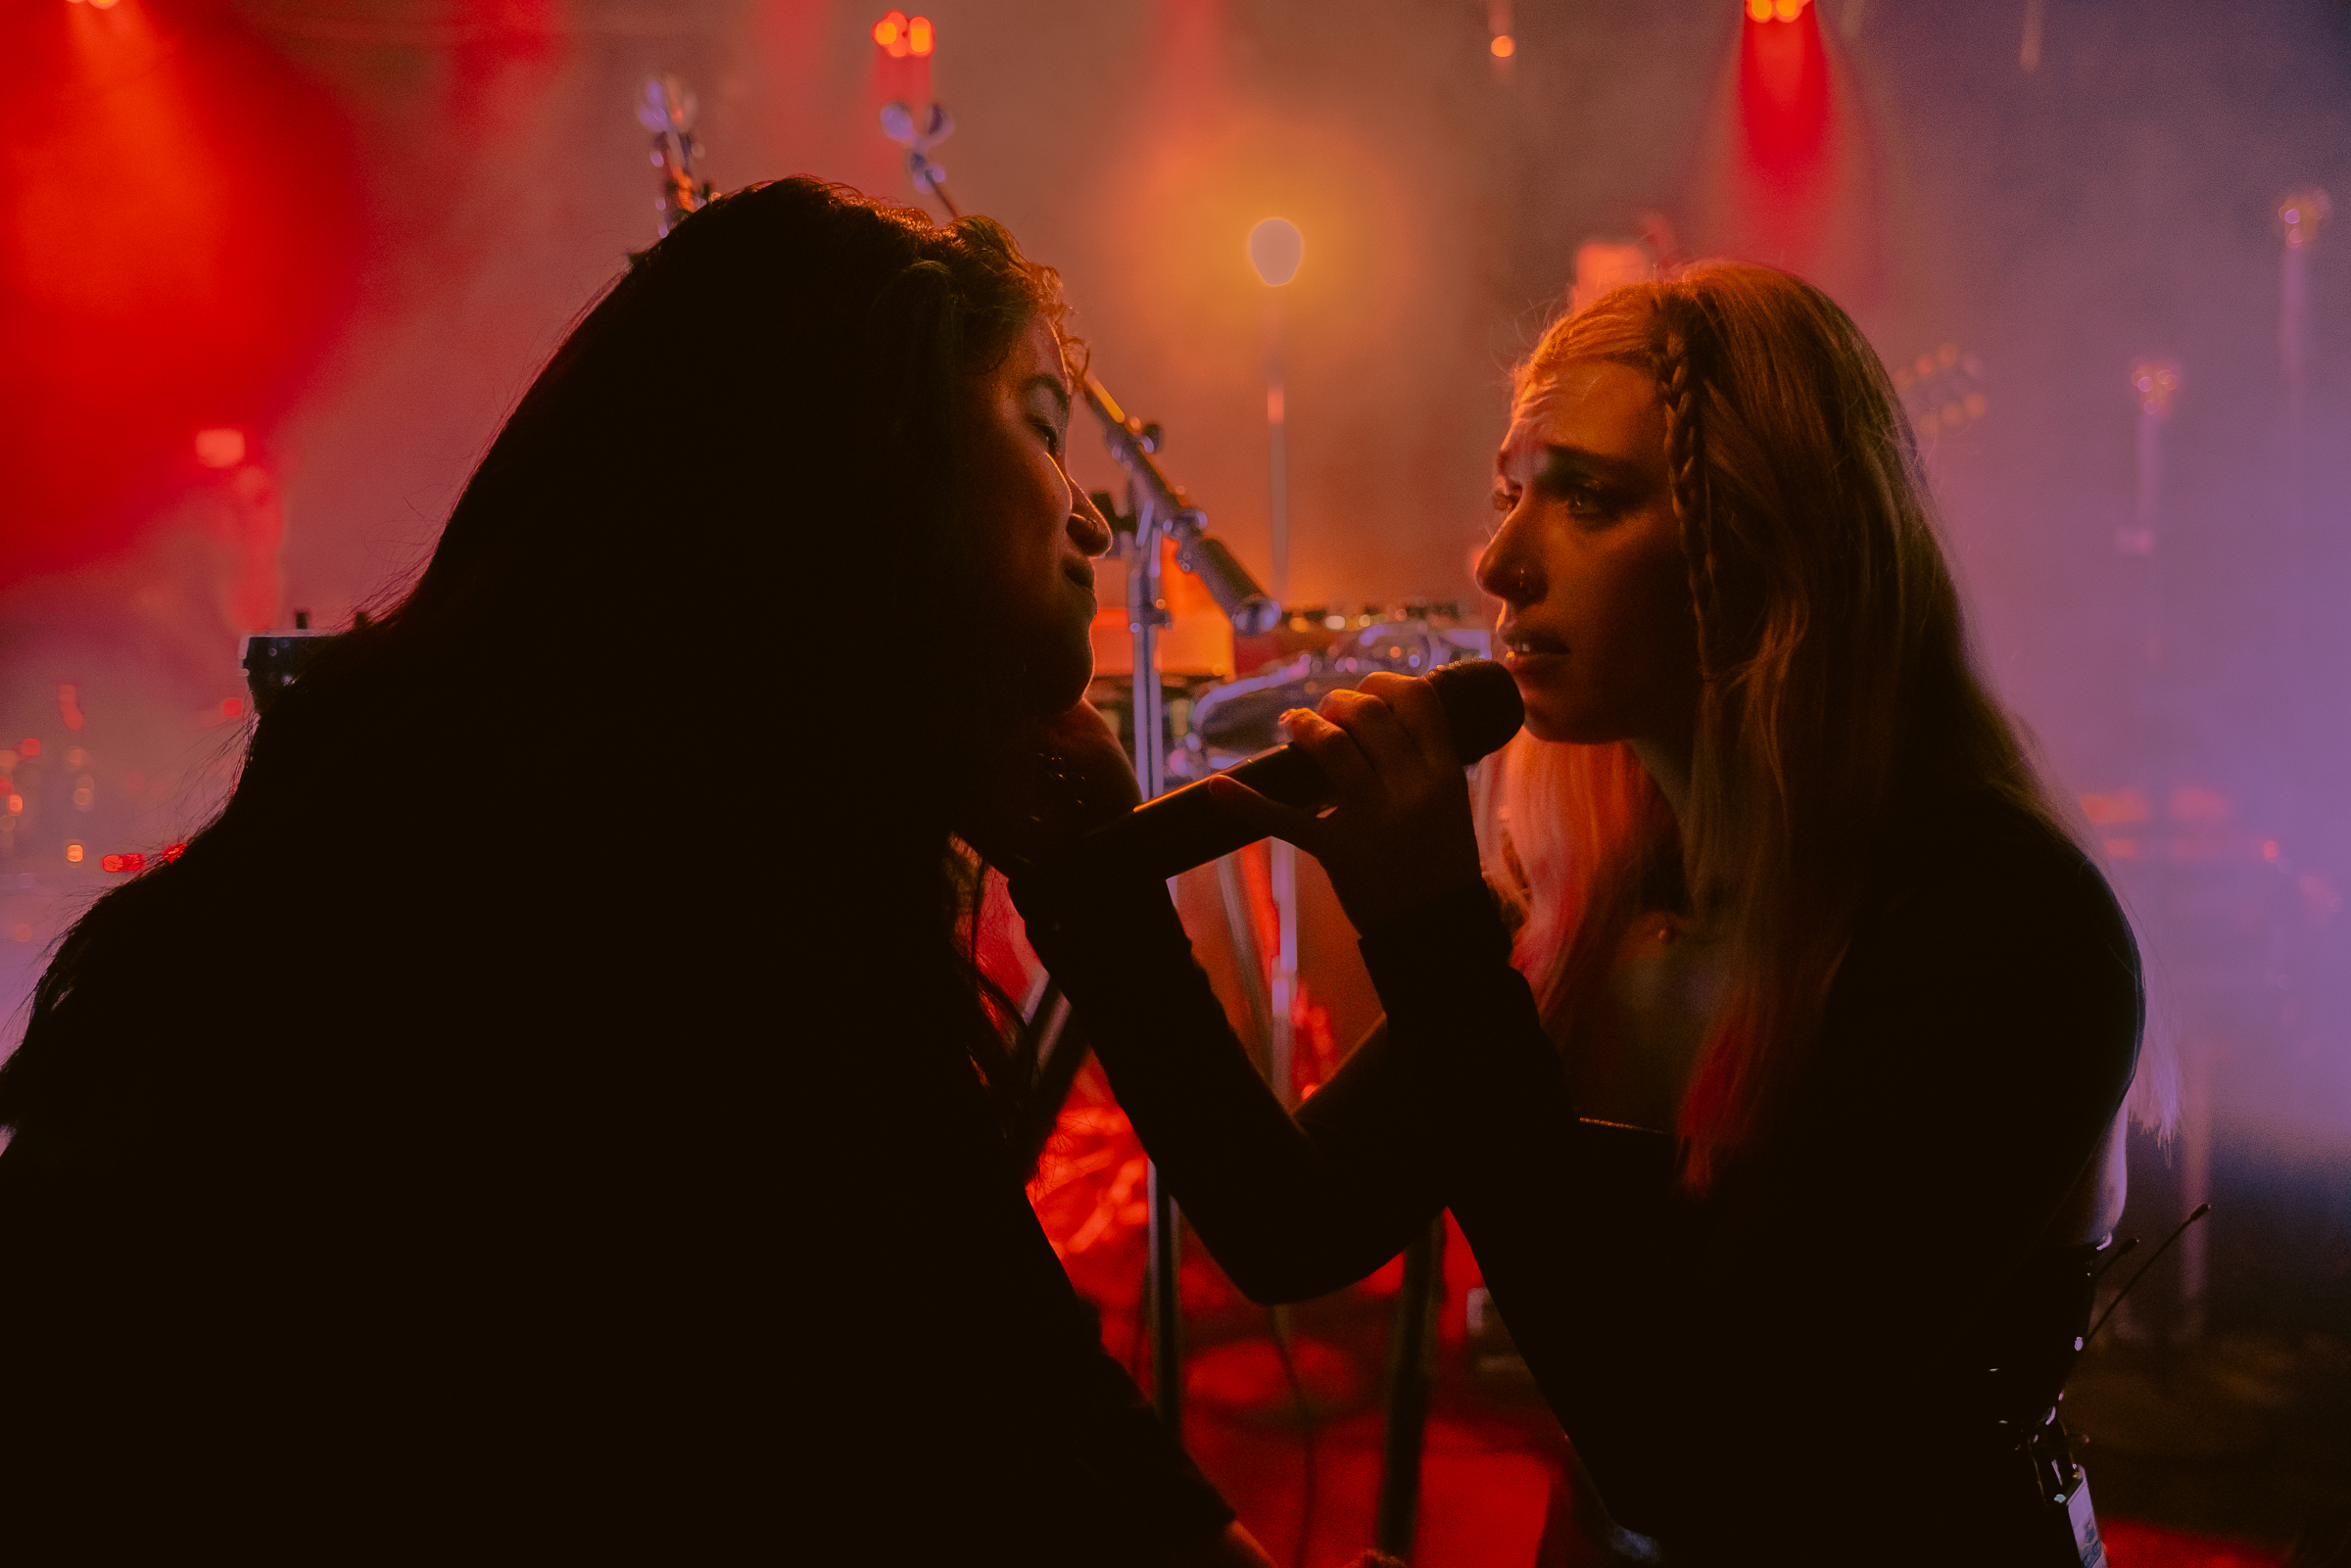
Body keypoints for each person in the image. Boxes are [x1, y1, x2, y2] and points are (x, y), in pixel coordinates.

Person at [0, 177, 1271, 1565]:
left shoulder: (624, 815)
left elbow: (990, 1345)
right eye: (1041, 430)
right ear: (872, 456)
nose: (1095, 524)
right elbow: (957, 1398)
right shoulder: (674, 917)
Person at [985, 262, 2163, 1564]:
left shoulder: (2005, 931)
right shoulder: (1592, 906)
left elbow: (1697, 1456)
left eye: (1589, 499)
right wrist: (1096, 882)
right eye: (1511, 494)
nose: (1500, 563)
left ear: (1770, 545)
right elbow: (1287, 1221)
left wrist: (1430, 934)